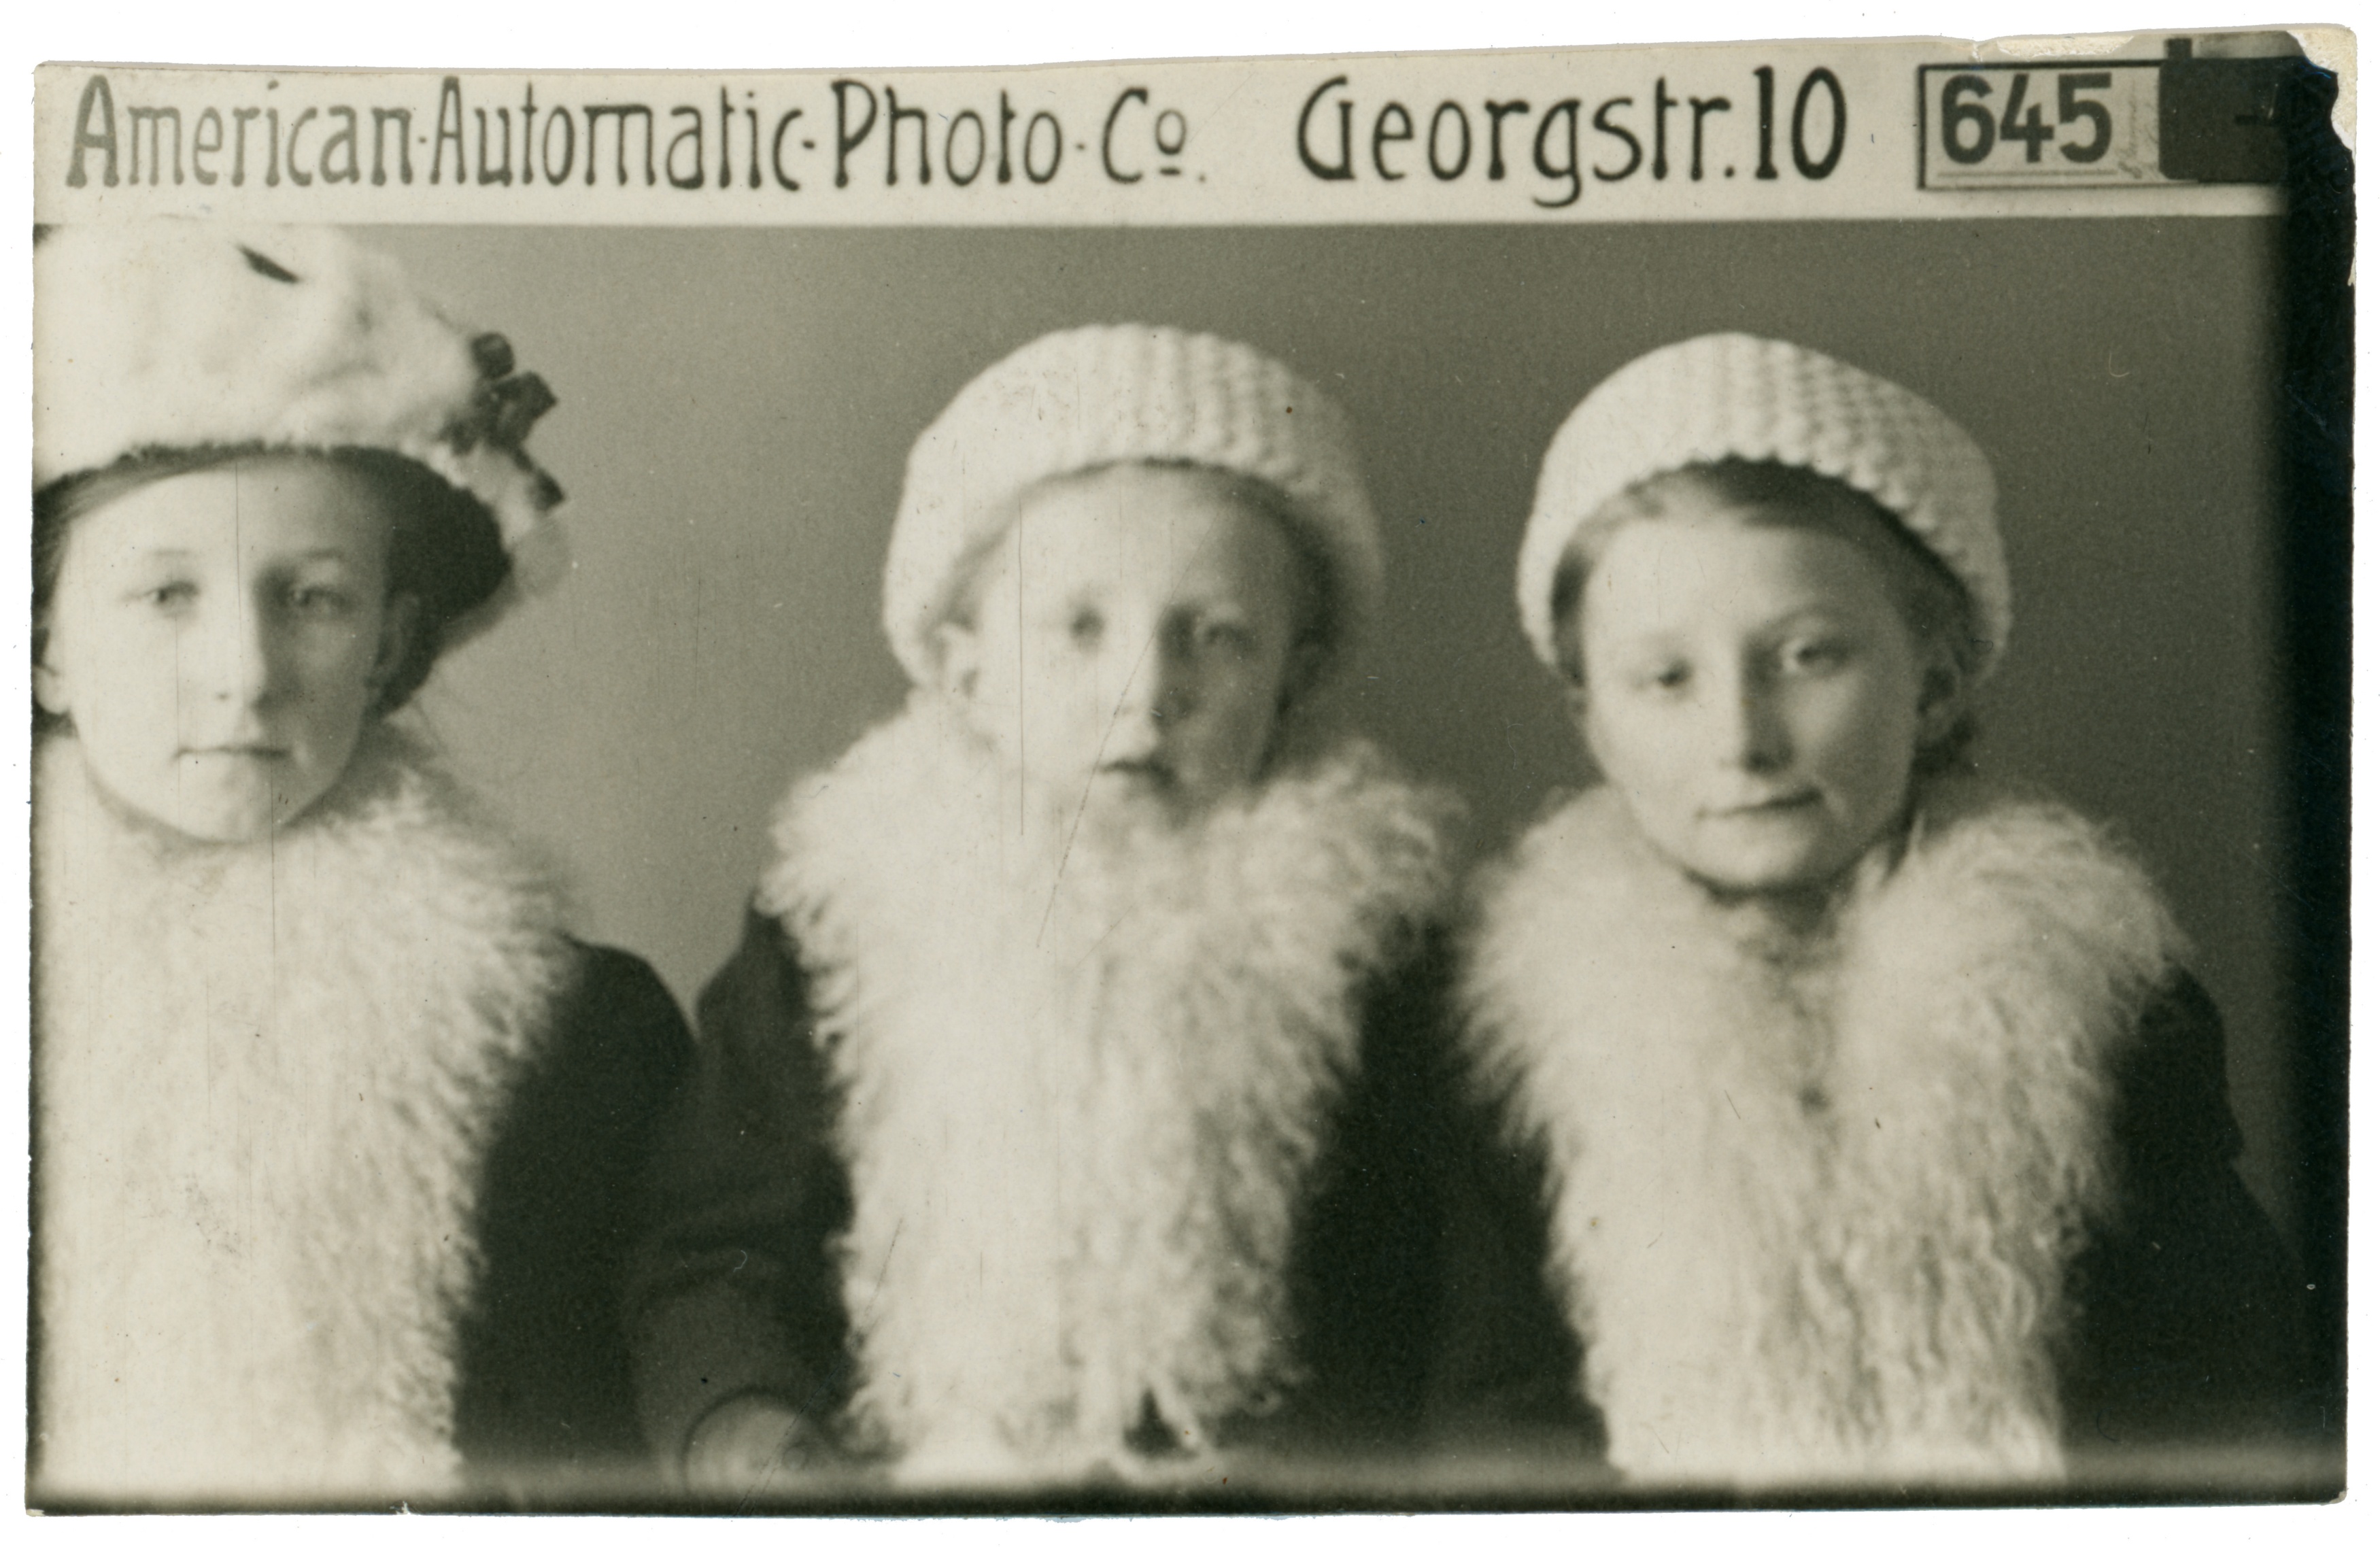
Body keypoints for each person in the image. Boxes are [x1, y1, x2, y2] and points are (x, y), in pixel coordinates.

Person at [1442, 333, 2310, 1487]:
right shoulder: (1525, 1039)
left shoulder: (2089, 1005)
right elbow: (1497, 1435)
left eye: (1808, 656)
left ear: (1935, 680)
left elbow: (2228, 1398)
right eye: (1667, 678)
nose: (1742, 738)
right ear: (1593, 719)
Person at [627, 325, 1459, 1490]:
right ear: (966, 671)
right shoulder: (843, 922)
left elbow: (1430, 1301)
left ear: (1295, 677)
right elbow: (711, 1256)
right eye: (1078, 628)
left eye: (1216, 636)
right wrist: (745, 1423)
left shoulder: (1371, 950)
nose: (1144, 693)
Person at [29, 223, 690, 1505]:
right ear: (45, 643)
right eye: (167, 596)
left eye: (313, 598)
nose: (244, 674)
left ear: (389, 649)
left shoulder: (579, 1042)